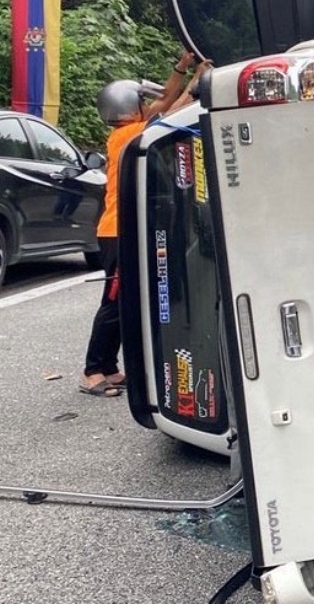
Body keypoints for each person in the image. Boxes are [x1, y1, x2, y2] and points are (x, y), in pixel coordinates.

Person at [79, 51, 209, 397]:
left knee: (126, 301)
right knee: (114, 303)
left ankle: (109, 367)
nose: (147, 106)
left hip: (124, 229)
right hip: (116, 231)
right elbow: (174, 109)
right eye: (141, 102)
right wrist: (197, 81)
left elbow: (164, 102)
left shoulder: (131, 129)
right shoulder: (128, 135)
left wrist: (184, 68)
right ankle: (92, 370)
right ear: (128, 108)